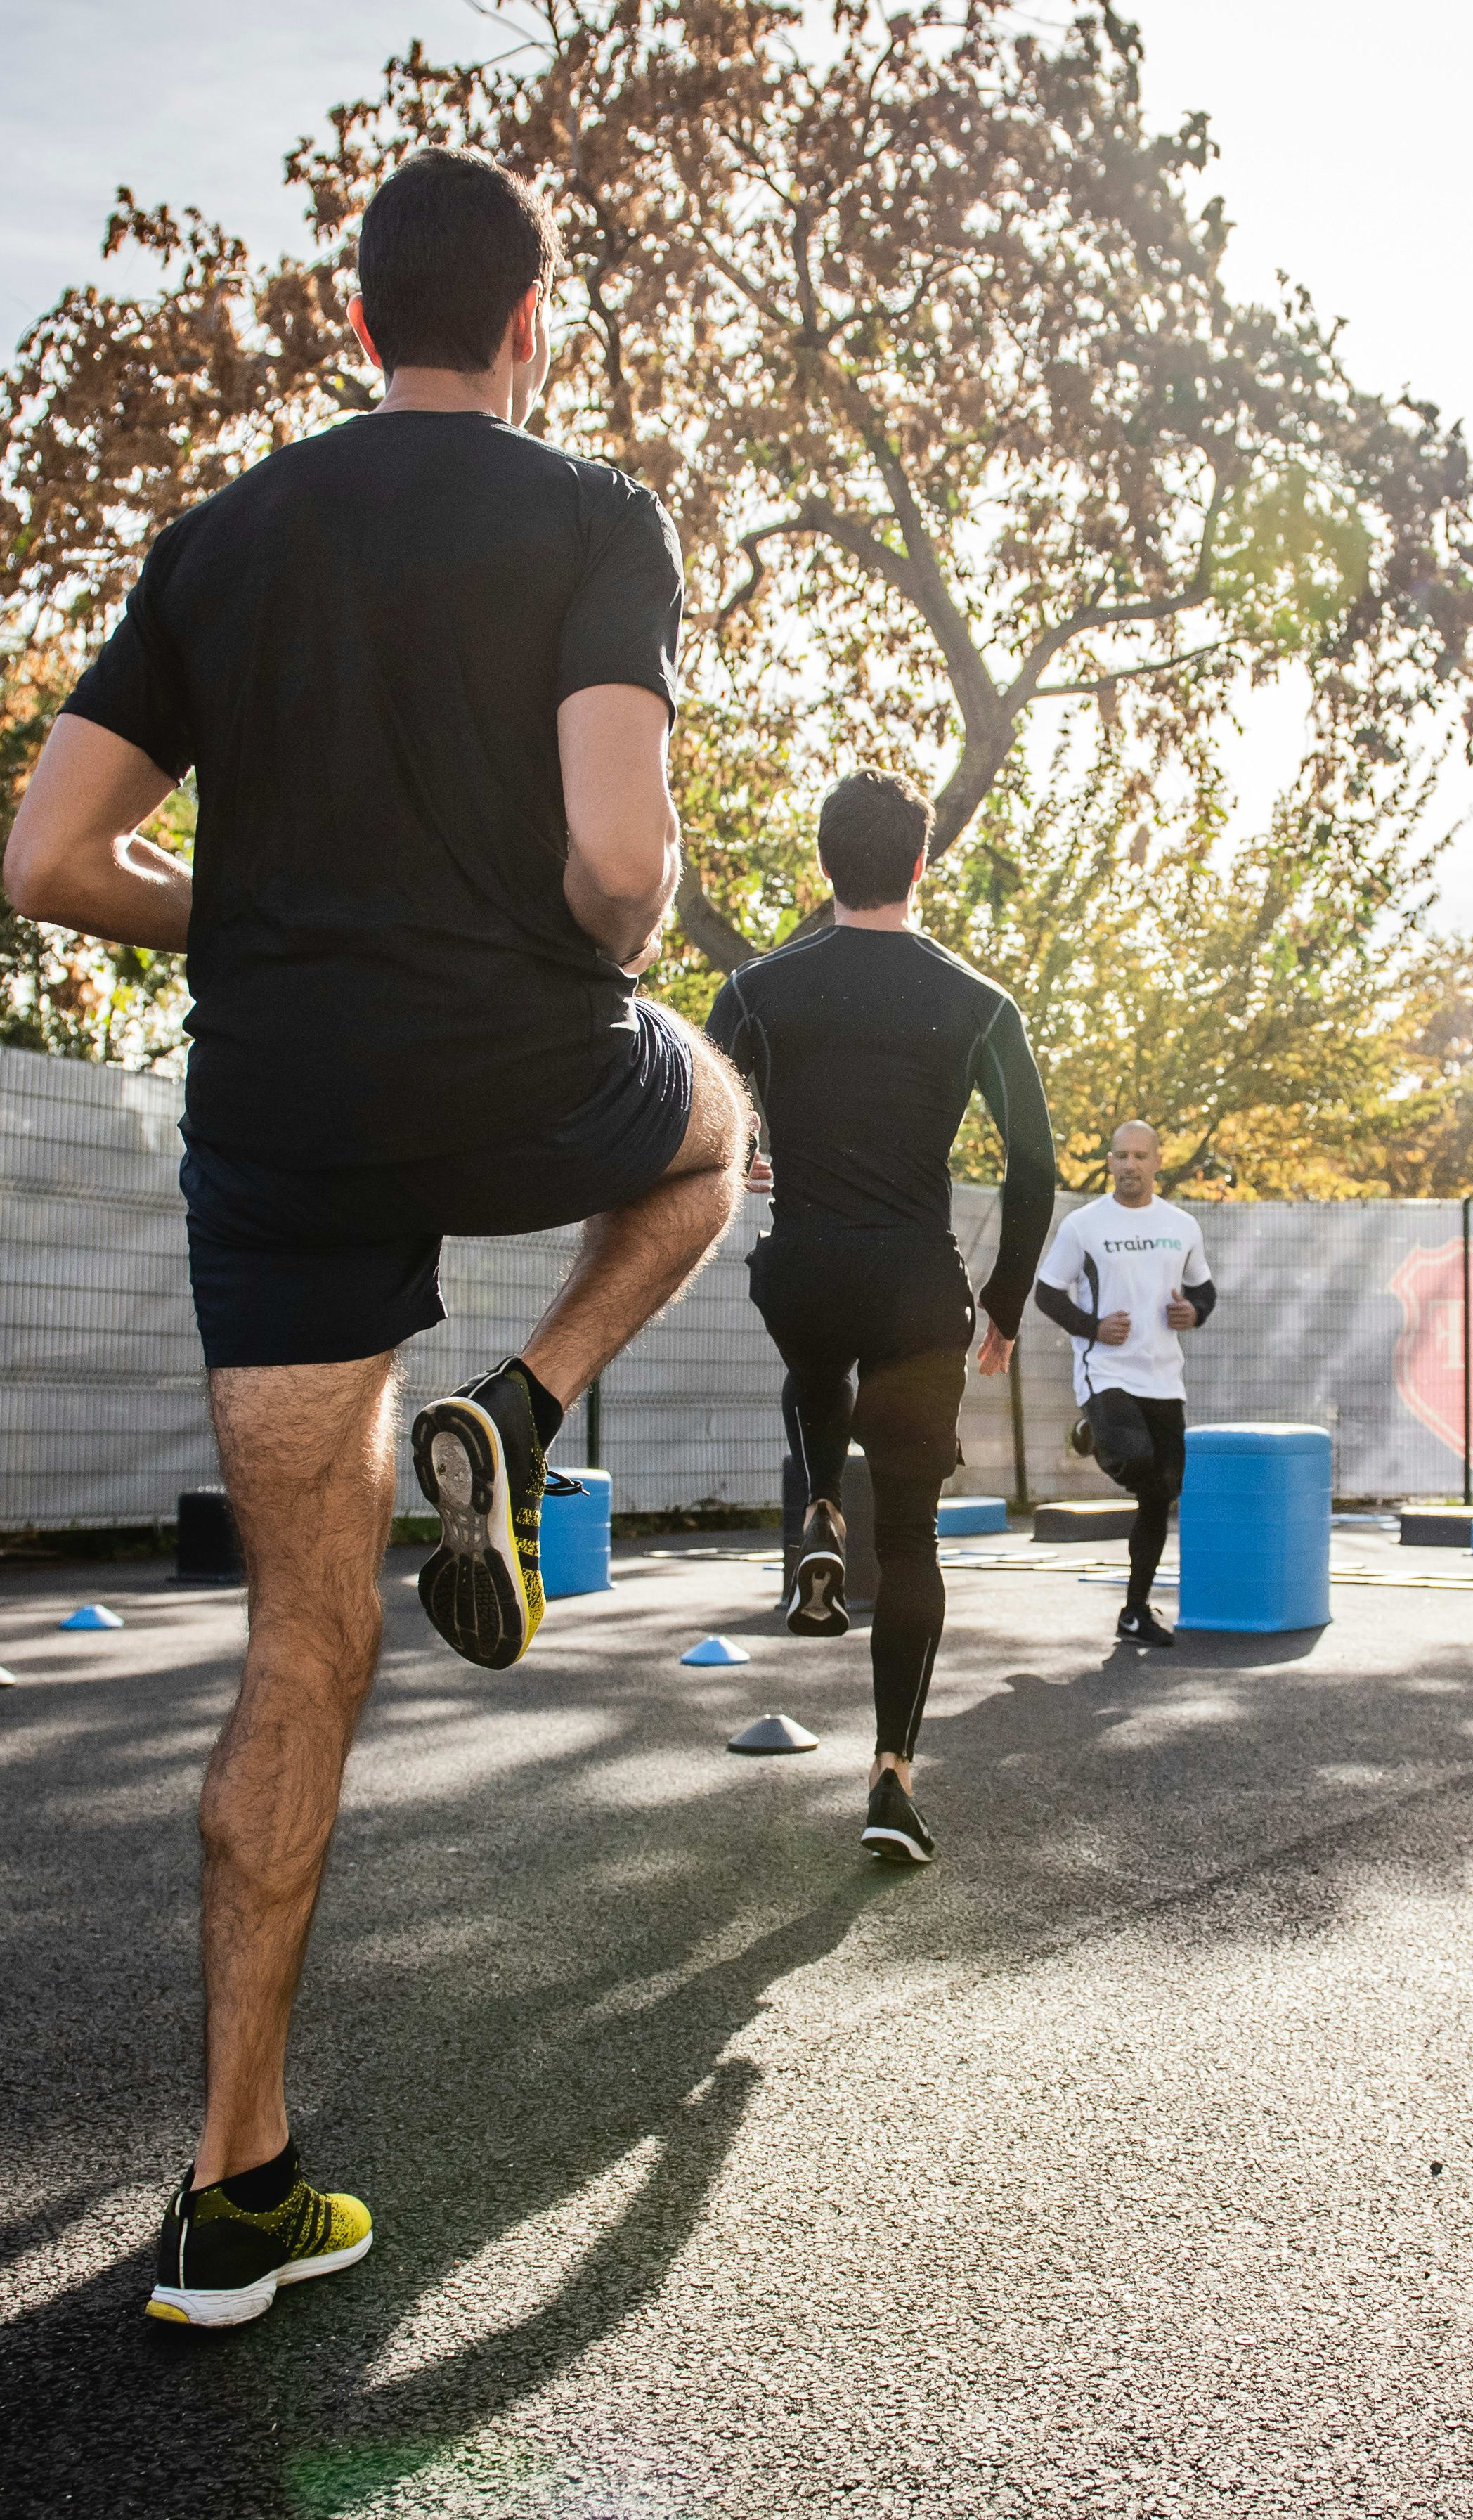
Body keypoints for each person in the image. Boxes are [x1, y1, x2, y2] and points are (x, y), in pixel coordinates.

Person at [1, 148, 750, 2325]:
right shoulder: (593, 516)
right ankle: (522, 1403)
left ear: (357, 327)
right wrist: (592, 939)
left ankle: (235, 2188)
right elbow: (619, 864)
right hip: (519, 1070)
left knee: (295, 1651)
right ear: (535, 329)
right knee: (711, 1128)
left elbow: (49, 857)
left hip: (282, 1120)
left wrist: (233, 912)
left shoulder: (219, 543)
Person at [707, 771, 1054, 1865]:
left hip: (804, 1269)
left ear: (825, 861)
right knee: (911, 1540)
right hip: (916, 1290)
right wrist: (1003, 1302)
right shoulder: (981, 1002)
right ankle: (892, 1777)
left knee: (813, 1359)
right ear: (920, 862)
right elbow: (1036, 1168)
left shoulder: (758, 989)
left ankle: (815, 1509)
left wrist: (747, 1154)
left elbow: (700, 1112)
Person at [1032, 1123, 1218, 1647]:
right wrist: (1092, 1327)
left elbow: (1205, 1290)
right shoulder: (1084, 1225)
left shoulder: (1181, 1225)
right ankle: (1095, 1428)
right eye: (1121, 1155)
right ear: (1110, 1162)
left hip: (1163, 1376)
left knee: (1163, 1491)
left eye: (1140, 1155)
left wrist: (1193, 1311)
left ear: (1158, 1161)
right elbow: (1047, 1294)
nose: (1130, 1164)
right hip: (1106, 1371)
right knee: (1135, 1460)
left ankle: (1134, 1612)